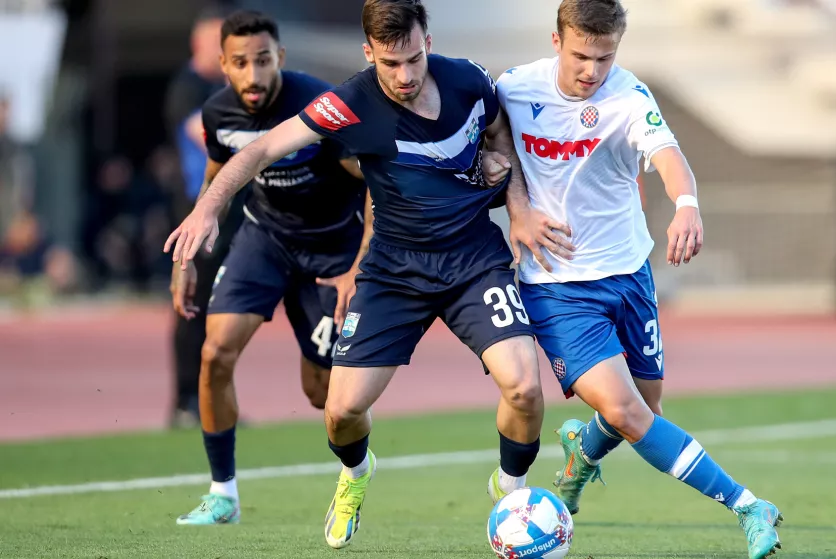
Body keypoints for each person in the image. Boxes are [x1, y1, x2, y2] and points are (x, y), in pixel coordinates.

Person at [165, 0, 550, 548]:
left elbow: (497, 131)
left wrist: (517, 208)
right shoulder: (348, 103)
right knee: (340, 411)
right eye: (391, 64)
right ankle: (355, 474)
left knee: (526, 390)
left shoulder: (470, 81)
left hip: (473, 261)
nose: (406, 75)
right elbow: (262, 149)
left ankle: (512, 492)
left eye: (414, 59)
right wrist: (207, 208)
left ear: (428, 43)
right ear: (369, 54)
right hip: (393, 271)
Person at [495, 1, 784, 558]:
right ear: (555, 41)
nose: (592, 71)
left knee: (644, 411)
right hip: (555, 284)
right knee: (628, 413)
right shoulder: (513, 87)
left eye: (605, 57)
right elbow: (490, 138)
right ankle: (749, 505)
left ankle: (582, 449)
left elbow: (669, 156)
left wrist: (687, 203)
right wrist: (516, 208)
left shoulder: (628, 95)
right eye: (581, 55)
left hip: (629, 274)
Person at [169, 10, 372, 526]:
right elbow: (217, 179)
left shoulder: (320, 105)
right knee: (215, 353)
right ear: (223, 65)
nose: (254, 75)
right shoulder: (218, 114)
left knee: (322, 394)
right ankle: (223, 495)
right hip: (265, 240)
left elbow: (374, 182)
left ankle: (359, 466)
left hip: (332, 248)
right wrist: (189, 253)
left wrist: (359, 267)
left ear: (279, 57)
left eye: (263, 60)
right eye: (241, 63)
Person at [163, 6, 238, 428]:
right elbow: (208, 137)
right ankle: (184, 401)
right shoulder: (187, 88)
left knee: (224, 310)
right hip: (194, 210)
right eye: (216, 44)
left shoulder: (225, 87)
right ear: (198, 44)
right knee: (191, 305)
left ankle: (215, 401)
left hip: (227, 211)